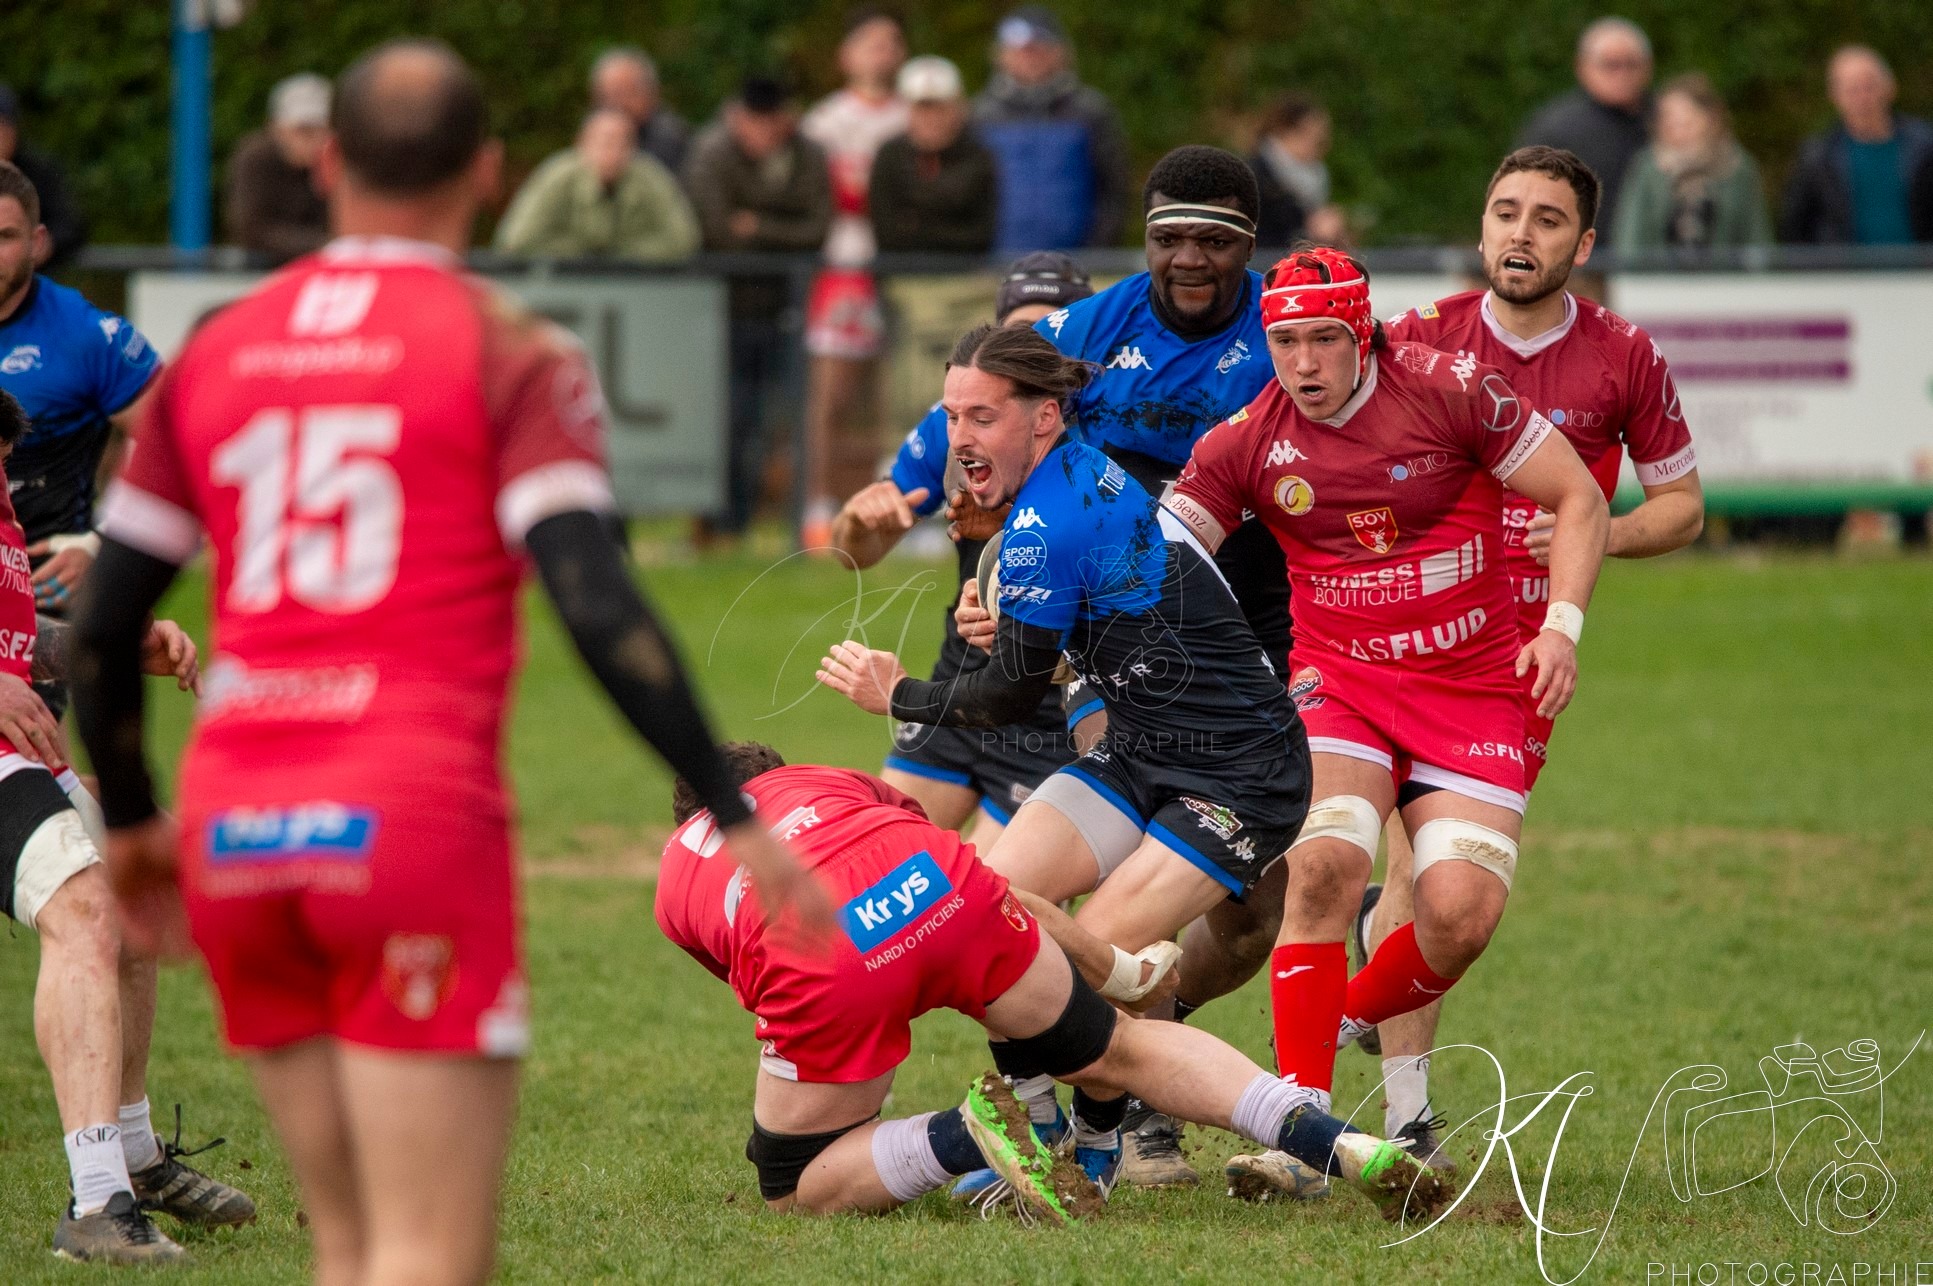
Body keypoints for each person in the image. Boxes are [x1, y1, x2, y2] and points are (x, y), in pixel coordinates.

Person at [68, 40, 827, 1286]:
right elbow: (597, 598)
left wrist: (143, 821)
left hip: (243, 825)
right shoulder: (505, 344)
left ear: (322, 162)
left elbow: (101, 626)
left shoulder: (220, 344)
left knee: (353, 1247)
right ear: (489, 172)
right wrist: (731, 802)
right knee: (426, 1257)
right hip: (409, 826)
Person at [817, 322, 1312, 1197]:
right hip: (1137, 750)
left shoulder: (1049, 514)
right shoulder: (1063, 475)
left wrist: (896, 694)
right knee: (983, 915)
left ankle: (1084, 1141)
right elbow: (1080, 630)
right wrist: (1021, 633)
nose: (959, 437)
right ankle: (1044, 1127)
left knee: (1084, 965)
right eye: (949, 416)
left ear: (1044, 417)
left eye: (980, 417)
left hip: (1239, 769)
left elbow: (1006, 698)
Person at [1161, 244, 1610, 1200]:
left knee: (1458, 915)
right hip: (1341, 685)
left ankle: (1353, 1015)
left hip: (1478, 684)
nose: (1305, 364)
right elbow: (1163, 555)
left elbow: (1578, 495)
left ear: (1361, 332)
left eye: (1325, 339)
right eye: (1285, 341)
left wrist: (1561, 629)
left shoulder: (1451, 389)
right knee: (1322, 867)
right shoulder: (1247, 436)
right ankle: (1298, 1131)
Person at [1324, 146, 1703, 1174]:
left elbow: (1681, 503)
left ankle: (1357, 1022)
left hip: (1519, 659)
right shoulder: (1415, 340)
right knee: (1394, 861)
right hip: (1395, 639)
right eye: (1504, 213)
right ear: (1480, 228)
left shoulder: (1622, 354)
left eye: (1545, 219)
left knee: (1442, 892)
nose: (1520, 234)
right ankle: (1396, 1117)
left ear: (1581, 243)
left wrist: (1601, 538)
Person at [658, 741, 1451, 1223]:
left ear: (685, 815)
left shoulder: (676, 869)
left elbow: (758, 980)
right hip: (946, 887)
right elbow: (925, 838)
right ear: (778, 775)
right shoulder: (826, 781)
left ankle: (967, 1133)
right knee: (1122, 1047)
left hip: (825, 954)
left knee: (794, 1180)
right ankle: (1336, 1140)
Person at [1034, 144, 1293, 1185]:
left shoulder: (1289, 328)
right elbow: (992, 422)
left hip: (1261, 642)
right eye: (1168, 237)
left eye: (1212, 239)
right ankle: (1116, 1108)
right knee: (1132, 871)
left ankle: (1150, 1039)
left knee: (1244, 920)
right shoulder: (1089, 330)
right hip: (1120, 644)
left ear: (1246, 243)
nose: (1187, 256)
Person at [0, 389, 252, 1264]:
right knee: (84, 909)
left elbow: (17, 646)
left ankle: (134, 1155)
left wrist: (112, 642)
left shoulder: (2, 497)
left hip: (26, 757)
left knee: (145, 882)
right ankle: (96, 1199)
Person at [829, 253, 1090, 843]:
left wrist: (1001, 520)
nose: (1036, 349)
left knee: (991, 904)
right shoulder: (958, 424)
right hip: (958, 682)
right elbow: (855, 554)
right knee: (881, 869)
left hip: (1047, 708)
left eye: (1054, 331)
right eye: (1023, 333)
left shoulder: (1102, 437)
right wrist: (857, 518)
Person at [0, 162, 159, 645]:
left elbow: (176, 440)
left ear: (39, 242)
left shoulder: (87, 336)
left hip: (34, 584)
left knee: (28, 720)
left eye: (4, 236)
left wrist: (104, 540)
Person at [684, 77, 832, 540]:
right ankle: (720, 522)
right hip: (722, 310)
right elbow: (717, 231)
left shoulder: (808, 155)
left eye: (774, 122)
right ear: (736, 117)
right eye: (756, 122)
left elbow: (818, 230)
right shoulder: (711, 153)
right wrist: (780, 229)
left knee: (775, 421)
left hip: (788, 307)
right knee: (727, 417)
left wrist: (757, 224)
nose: (766, 133)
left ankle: (757, 521)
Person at [798, 9, 910, 546]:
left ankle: (901, 506)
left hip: (899, 263)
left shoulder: (914, 115)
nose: (881, 54)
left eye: (890, 43)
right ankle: (818, 506)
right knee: (831, 391)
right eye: (870, 43)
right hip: (842, 265)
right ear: (847, 54)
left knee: (899, 391)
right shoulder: (825, 120)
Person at [973, 6, 1129, 252]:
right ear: (1000, 55)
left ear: (1060, 52)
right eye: (1021, 51)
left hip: (1077, 262)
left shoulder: (1091, 110)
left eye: (1038, 49)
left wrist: (1097, 251)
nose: (1030, 58)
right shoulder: (980, 115)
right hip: (997, 263)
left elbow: (1113, 190)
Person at [1515, 17, 1653, 250]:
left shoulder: (1666, 120)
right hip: (1580, 258)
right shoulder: (1556, 128)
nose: (1622, 75)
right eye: (1611, 65)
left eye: (1631, 65)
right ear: (1583, 66)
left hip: (1653, 262)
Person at [493, 108, 698, 262]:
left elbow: (684, 240)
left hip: (634, 286)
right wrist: (581, 253)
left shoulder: (650, 177)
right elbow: (515, 240)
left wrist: (621, 255)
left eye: (623, 142)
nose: (613, 152)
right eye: (605, 142)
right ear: (582, 143)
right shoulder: (557, 177)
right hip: (568, 286)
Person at [1779, 46, 1933, 246]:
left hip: (1919, 273)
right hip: (1848, 274)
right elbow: (1795, 229)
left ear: (1890, 87)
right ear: (1835, 96)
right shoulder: (1818, 157)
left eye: (1869, 87)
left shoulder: (1925, 148)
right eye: (1852, 90)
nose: (1863, 99)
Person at [1613, 75, 1771, 251]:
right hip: (1660, 277)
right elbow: (1631, 236)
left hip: (1723, 277)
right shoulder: (1648, 167)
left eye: (1686, 117)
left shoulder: (1737, 167)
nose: (1677, 125)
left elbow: (1755, 236)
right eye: (1669, 117)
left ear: (1711, 118)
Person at [869, 56, 998, 255]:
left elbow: (981, 235)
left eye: (940, 108)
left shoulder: (977, 155)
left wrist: (915, 223)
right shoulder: (890, 155)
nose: (932, 118)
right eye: (922, 108)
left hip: (965, 276)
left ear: (958, 108)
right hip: (904, 276)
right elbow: (886, 233)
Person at [224, 73, 333, 264]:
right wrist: (327, 244)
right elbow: (252, 229)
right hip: (261, 269)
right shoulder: (256, 159)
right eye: (304, 130)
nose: (316, 140)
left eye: (322, 129)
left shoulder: (335, 160)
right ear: (276, 128)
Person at [0, 85, 86, 273]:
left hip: (28, 283)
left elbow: (70, 226)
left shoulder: (39, 172)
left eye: (2, 127)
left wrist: (46, 245)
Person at [1248, 93, 1347, 252]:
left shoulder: (1313, 177)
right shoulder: (1255, 176)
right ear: (1287, 132)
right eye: (1314, 137)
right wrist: (1311, 231)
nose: (1322, 145)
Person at [589, 46, 690, 176]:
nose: (616, 104)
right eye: (608, 95)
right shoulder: (591, 135)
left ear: (651, 93)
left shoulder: (669, 138)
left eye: (625, 93)